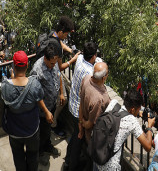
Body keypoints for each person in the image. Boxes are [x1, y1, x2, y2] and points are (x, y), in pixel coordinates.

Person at [2, 50, 53, 171]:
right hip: (31, 130)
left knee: (18, 156)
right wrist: (46, 112)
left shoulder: (5, 87)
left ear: (13, 66)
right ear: (27, 66)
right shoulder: (34, 84)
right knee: (33, 155)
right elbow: (39, 98)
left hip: (14, 131)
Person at [95, 89, 156, 171]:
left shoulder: (113, 103)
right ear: (133, 109)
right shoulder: (131, 121)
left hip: (98, 156)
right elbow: (148, 147)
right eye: (138, 109)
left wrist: (136, 113)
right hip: (111, 167)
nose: (139, 111)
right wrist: (149, 126)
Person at [64, 41, 100, 171]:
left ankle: (68, 160)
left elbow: (86, 58)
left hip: (72, 105)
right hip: (79, 112)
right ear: (94, 56)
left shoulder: (79, 59)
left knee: (75, 136)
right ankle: (70, 165)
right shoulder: (90, 74)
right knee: (78, 140)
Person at [30, 37, 64, 159]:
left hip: (52, 104)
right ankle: (40, 153)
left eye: (55, 63)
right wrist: (46, 111)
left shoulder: (53, 62)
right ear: (45, 58)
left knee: (48, 129)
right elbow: (35, 94)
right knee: (40, 133)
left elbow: (59, 74)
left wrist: (61, 92)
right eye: (51, 63)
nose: (53, 65)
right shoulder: (37, 70)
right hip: (42, 110)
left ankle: (47, 145)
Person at [79, 62, 111, 154]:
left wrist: (80, 122)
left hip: (83, 122)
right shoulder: (100, 99)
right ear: (104, 77)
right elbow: (90, 123)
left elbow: (81, 103)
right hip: (93, 137)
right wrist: (84, 124)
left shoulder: (86, 78)